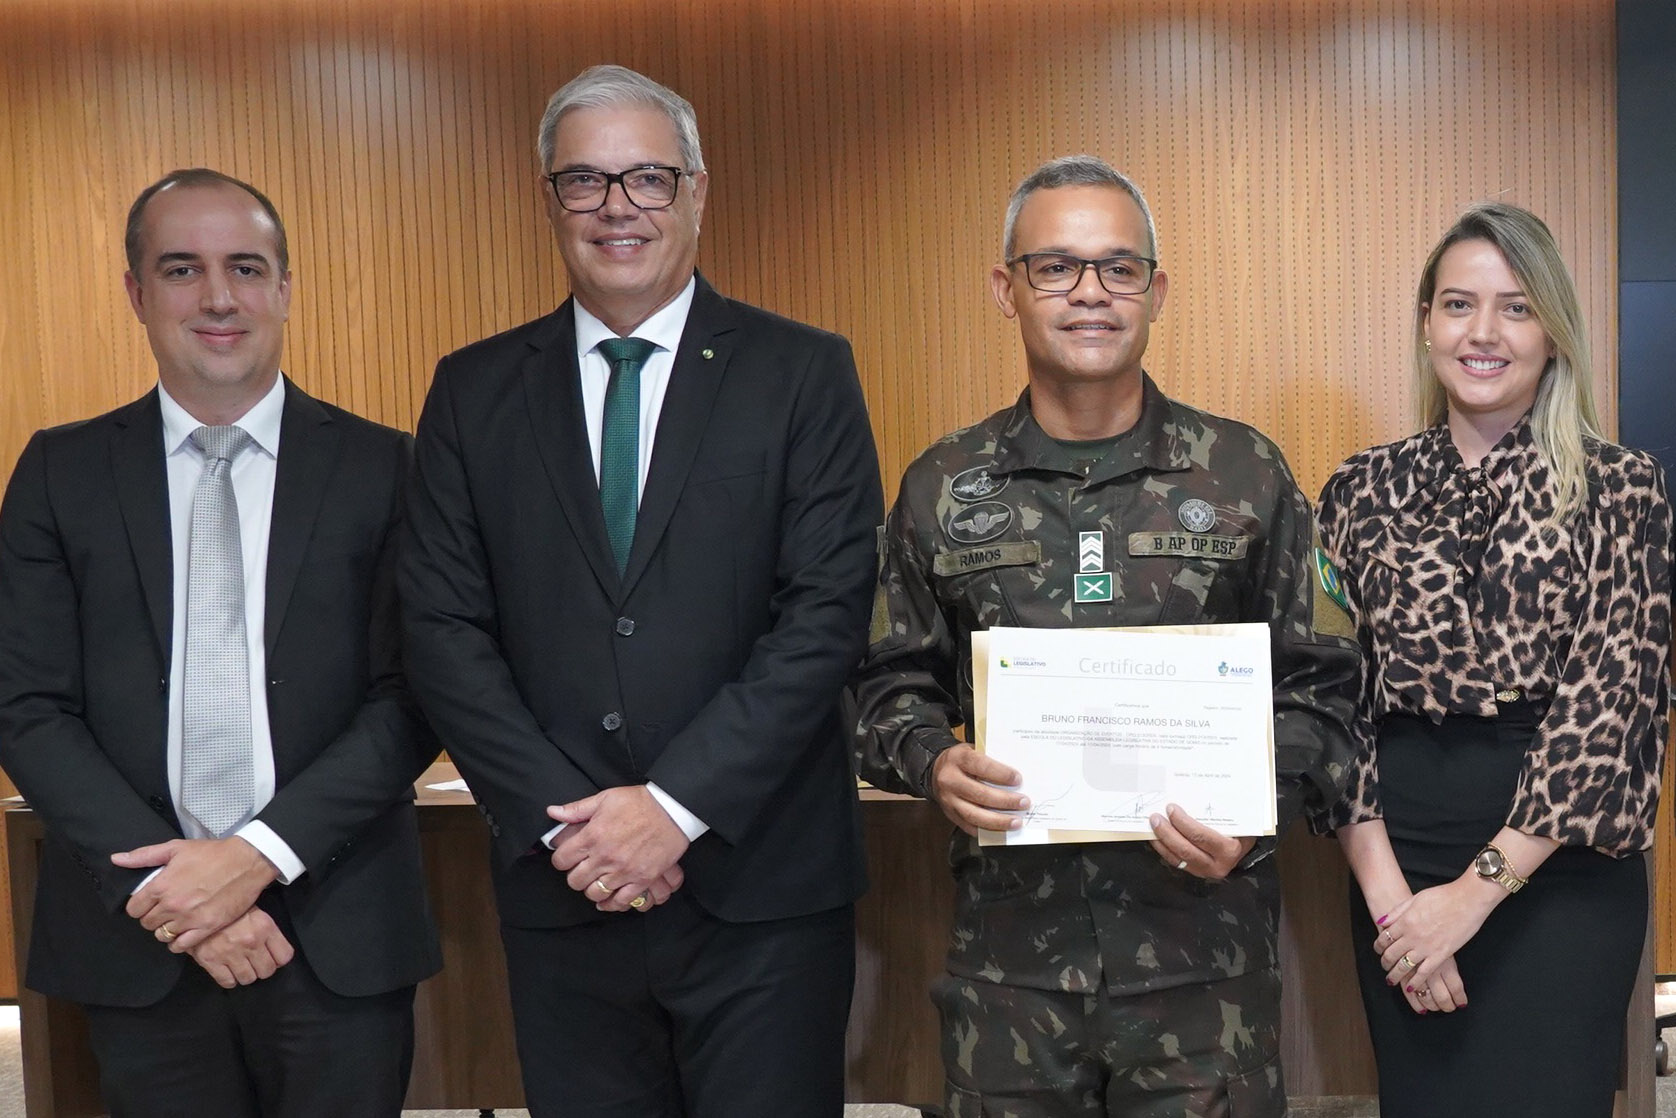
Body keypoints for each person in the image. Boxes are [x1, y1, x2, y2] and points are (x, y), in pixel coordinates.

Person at [399, 64, 882, 1116]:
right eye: (584, 180)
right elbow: (441, 628)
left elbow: (825, 615)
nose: (616, 206)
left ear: (696, 192)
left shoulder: (802, 373)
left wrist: (673, 807)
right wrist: (573, 828)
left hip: (762, 892)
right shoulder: (473, 390)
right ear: (549, 201)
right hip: (563, 883)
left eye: (648, 178)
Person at [851, 154, 1359, 1117]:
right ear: (1005, 290)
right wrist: (931, 760)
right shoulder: (944, 485)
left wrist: (1258, 808)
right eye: (1055, 267)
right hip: (1010, 974)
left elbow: (1325, 685)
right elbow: (883, 683)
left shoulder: (1244, 473)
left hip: (1204, 974)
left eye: (1119, 268)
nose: (1090, 292)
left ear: (1156, 293)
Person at [0, 168, 440, 1115]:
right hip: (141, 929)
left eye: (245, 267)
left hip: (334, 923)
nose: (218, 298)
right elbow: (27, 705)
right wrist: (178, 891)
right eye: (181, 269)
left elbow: (414, 696)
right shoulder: (59, 471)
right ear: (136, 293)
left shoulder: (385, 467)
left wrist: (256, 857)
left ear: (285, 288)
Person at [1316, 201, 1673, 1117]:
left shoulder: (1622, 489)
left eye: (1516, 308)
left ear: (1553, 333)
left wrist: (1470, 900)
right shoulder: (1357, 490)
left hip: (1559, 870)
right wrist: (1396, 906)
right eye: (1458, 305)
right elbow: (1332, 705)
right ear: (1426, 324)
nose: (1483, 333)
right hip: (1398, 856)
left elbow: (1609, 711)